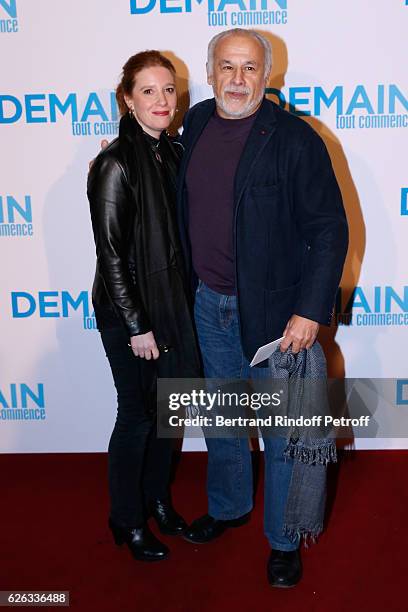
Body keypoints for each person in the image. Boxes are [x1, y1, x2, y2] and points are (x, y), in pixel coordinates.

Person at [177, 29, 349, 587]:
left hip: (278, 319)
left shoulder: (295, 139)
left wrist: (309, 311)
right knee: (223, 421)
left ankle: (282, 539)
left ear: (268, 74)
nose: (237, 80)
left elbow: (329, 230)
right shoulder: (197, 123)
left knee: (282, 434)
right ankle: (228, 507)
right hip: (208, 304)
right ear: (209, 71)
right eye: (226, 66)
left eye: (250, 68)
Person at [88, 51, 201, 562]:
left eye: (169, 90)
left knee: (166, 416)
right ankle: (126, 520)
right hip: (130, 315)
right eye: (149, 91)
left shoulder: (174, 153)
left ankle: (157, 500)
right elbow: (111, 256)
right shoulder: (114, 163)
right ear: (127, 99)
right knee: (136, 416)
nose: (161, 100)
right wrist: (137, 326)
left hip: (172, 306)